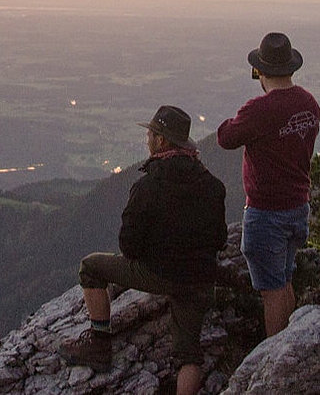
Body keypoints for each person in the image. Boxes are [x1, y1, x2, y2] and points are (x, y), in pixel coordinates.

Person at [60, 106, 227, 395]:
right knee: (189, 356)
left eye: (150, 134)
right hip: (200, 279)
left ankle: (99, 342)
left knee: (91, 267)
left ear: (161, 140)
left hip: (160, 274)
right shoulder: (212, 185)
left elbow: (129, 246)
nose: (147, 139)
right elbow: (219, 238)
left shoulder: (149, 185)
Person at [217, 32, 319, 337]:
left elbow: (225, 138)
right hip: (298, 207)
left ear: (259, 71)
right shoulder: (309, 103)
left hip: (267, 213)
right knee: (283, 281)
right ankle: (291, 344)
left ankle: (277, 361)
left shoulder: (259, 109)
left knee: (271, 292)